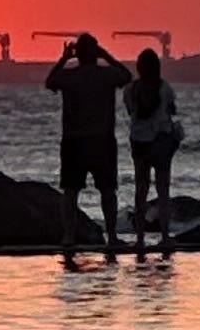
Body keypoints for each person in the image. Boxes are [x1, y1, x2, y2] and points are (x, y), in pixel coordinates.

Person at [43, 30, 130, 257]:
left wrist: (63, 59)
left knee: (71, 191)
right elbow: (127, 76)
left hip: (74, 139)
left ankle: (69, 236)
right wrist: (107, 56)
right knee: (108, 190)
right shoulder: (107, 74)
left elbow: (49, 82)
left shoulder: (69, 76)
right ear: (96, 53)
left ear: (77, 55)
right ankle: (111, 236)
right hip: (102, 139)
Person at [124, 46, 185, 252]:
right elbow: (172, 110)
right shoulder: (164, 88)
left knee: (140, 190)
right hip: (160, 141)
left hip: (138, 142)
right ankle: (165, 236)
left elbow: (130, 111)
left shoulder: (130, 90)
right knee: (163, 190)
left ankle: (140, 238)